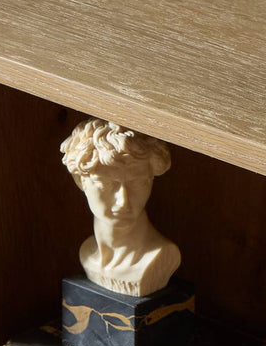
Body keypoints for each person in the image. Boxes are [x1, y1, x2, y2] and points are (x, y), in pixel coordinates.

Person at [60, 118, 181, 296]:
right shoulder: (87, 252)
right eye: (106, 184)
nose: (123, 201)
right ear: (80, 181)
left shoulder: (162, 257)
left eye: (138, 184)